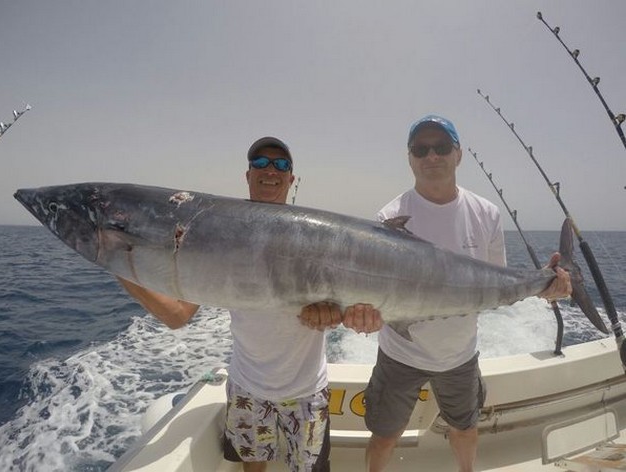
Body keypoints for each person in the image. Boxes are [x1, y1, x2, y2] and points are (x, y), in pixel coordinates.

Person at [117, 136, 380, 472]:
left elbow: (343, 306)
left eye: (280, 165)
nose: (270, 170)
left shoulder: (317, 240)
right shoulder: (219, 238)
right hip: (248, 388)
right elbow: (176, 315)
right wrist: (117, 262)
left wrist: (335, 315)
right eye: (260, 163)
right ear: (247, 175)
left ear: (291, 179)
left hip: (307, 392)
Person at [362, 115, 572, 472]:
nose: (432, 156)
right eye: (421, 148)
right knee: (384, 434)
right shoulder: (389, 216)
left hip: (459, 355)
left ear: (458, 155)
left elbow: (496, 285)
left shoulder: (486, 213)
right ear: (410, 158)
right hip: (400, 353)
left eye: (442, 147)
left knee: (465, 429)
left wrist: (546, 287)